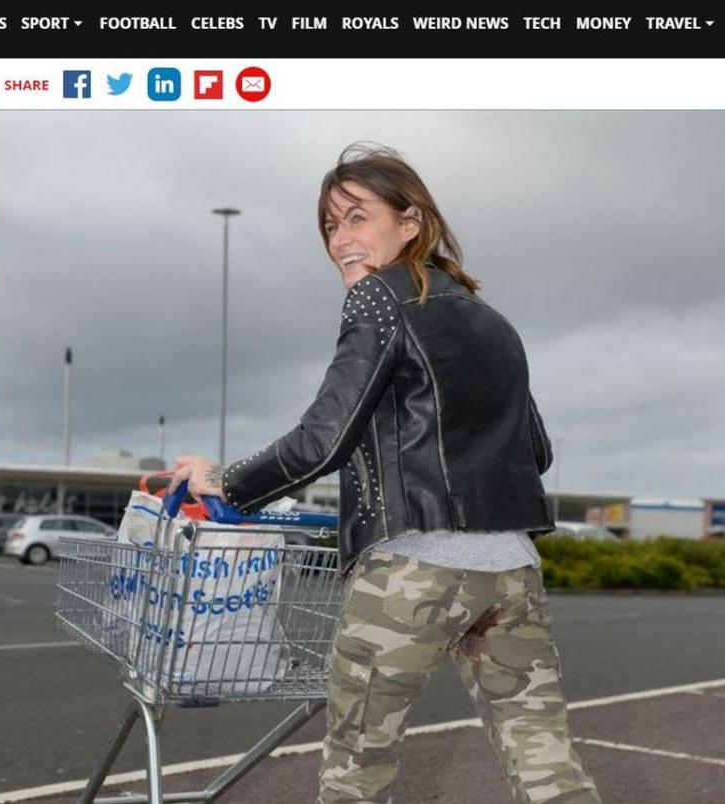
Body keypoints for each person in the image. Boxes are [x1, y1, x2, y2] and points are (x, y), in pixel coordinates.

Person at [169, 143, 602, 804]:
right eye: (329, 225)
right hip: (510, 571)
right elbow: (534, 452)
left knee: (357, 768)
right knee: (542, 753)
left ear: (410, 221)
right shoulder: (494, 322)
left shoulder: (379, 298)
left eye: (356, 217)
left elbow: (323, 439)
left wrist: (225, 484)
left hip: (414, 568)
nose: (340, 238)